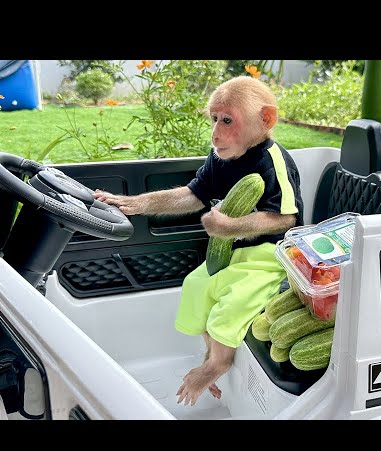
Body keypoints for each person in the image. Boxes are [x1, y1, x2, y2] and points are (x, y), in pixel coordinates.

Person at [93, 75, 304, 406]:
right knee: (195, 285)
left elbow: (285, 218)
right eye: (214, 118)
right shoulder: (219, 155)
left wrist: (231, 226)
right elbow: (192, 195)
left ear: (266, 120)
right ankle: (211, 354)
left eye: (228, 120)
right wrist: (137, 203)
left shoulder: (271, 160)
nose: (216, 132)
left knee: (235, 299)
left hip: (272, 252)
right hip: (233, 250)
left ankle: (219, 363)